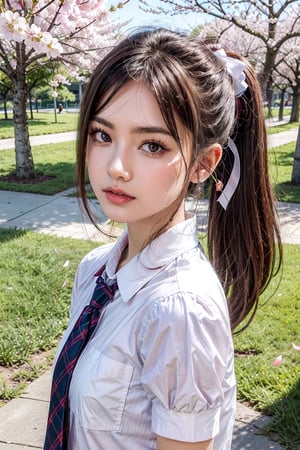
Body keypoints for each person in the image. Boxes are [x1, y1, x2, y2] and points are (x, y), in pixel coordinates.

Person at [44, 28, 282, 450]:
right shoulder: (96, 270)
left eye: (152, 145)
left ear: (203, 164)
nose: (116, 166)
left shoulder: (180, 310)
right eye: (102, 134)